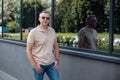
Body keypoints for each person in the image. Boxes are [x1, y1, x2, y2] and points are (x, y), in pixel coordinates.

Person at [26, 11, 60, 80]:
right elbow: (28, 50)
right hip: (39, 64)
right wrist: (34, 65)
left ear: (49, 20)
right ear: (39, 19)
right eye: (43, 17)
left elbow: (56, 47)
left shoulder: (52, 31)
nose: (45, 20)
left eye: (47, 18)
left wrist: (56, 60)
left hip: (51, 64)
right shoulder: (33, 32)